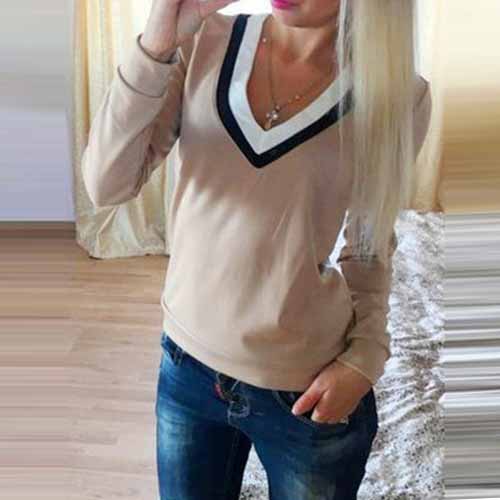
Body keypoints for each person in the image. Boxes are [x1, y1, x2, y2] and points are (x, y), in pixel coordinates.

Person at [81, 0, 433, 498]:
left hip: (304, 388)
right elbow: (106, 185)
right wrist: (156, 45)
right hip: (186, 368)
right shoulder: (202, 43)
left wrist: (366, 357)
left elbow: (369, 243)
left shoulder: (397, 95)